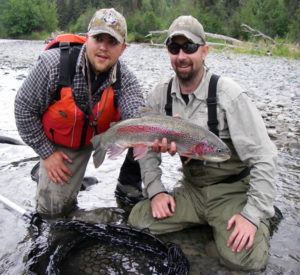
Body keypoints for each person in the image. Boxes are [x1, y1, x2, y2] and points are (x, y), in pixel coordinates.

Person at [128, 15, 278, 271]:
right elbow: (146, 150)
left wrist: (251, 217)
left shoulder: (228, 95)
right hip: (192, 190)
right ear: (168, 52)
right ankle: (206, 224)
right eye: (174, 48)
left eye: (189, 47)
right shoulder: (159, 95)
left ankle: (264, 215)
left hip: (231, 191)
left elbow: (265, 157)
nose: (181, 56)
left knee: (245, 261)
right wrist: (157, 191)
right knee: (139, 221)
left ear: (205, 51)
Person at [14, 8, 144, 217]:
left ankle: (127, 186)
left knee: (144, 132)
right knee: (53, 213)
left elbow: (135, 113)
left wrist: (159, 130)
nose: (103, 48)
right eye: (98, 39)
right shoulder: (53, 65)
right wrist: (47, 154)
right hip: (61, 143)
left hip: (100, 137)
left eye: (112, 42)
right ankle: (43, 171)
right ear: (86, 39)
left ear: (123, 49)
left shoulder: (125, 78)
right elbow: (23, 110)